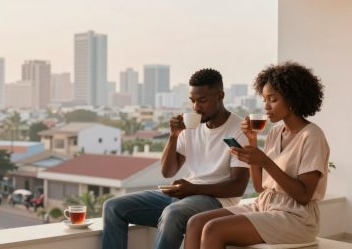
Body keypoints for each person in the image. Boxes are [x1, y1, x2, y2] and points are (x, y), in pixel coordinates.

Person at [184, 62, 330, 249]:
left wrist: (265, 162)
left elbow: (303, 195)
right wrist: (252, 142)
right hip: (265, 205)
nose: (266, 107)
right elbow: (261, 187)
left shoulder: (312, 136)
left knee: (213, 229)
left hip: (296, 217)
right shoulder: (275, 133)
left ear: (292, 100)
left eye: (273, 99)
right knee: (195, 223)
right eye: (264, 100)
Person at [102, 68, 250, 249]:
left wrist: (193, 189)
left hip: (217, 201)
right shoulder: (191, 126)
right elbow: (168, 171)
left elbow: (238, 186)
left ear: (220, 95)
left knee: (173, 214)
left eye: (202, 100)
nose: (196, 107)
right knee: (113, 207)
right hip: (187, 195)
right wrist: (173, 136)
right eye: (192, 101)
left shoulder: (238, 129)